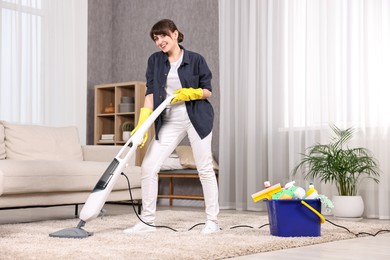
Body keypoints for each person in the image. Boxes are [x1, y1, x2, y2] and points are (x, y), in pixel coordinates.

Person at [123, 19, 220, 234]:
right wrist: (142, 124)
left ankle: (212, 221)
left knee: (204, 168)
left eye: (163, 36)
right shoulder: (155, 61)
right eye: (156, 39)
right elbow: (150, 93)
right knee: (149, 167)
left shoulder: (196, 59)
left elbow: (208, 90)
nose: (159, 42)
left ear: (175, 34)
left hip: (196, 116)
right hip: (168, 119)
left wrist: (192, 92)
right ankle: (147, 221)